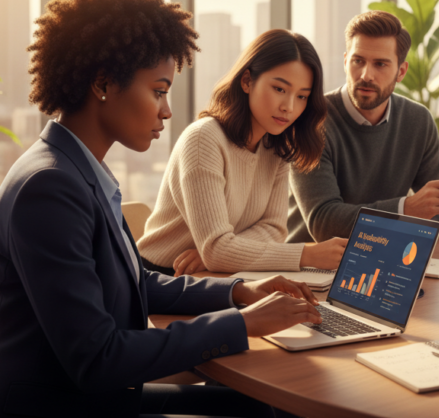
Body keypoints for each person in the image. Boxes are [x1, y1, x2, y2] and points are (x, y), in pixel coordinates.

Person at [0, 0, 321, 418]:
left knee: (266, 408)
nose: (167, 110)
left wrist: (240, 291)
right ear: (103, 84)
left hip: (81, 398)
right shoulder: (49, 189)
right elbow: (98, 357)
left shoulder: (79, 170)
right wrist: (242, 323)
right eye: (159, 91)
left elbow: (138, 282)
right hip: (38, 410)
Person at [137, 30, 347, 276]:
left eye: (302, 96)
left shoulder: (277, 149)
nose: (289, 107)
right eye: (280, 89)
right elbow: (217, 250)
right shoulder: (204, 139)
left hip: (218, 274)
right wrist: (308, 255)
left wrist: (225, 251)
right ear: (247, 81)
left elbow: (275, 230)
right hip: (159, 277)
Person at [287, 10, 439, 244]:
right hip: (312, 262)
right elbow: (324, 223)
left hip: (382, 253)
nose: (366, 75)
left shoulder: (418, 120)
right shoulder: (311, 120)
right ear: (345, 62)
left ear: (401, 72)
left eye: (380, 64)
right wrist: (404, 210)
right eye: (358, 61)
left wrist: (396, 223)